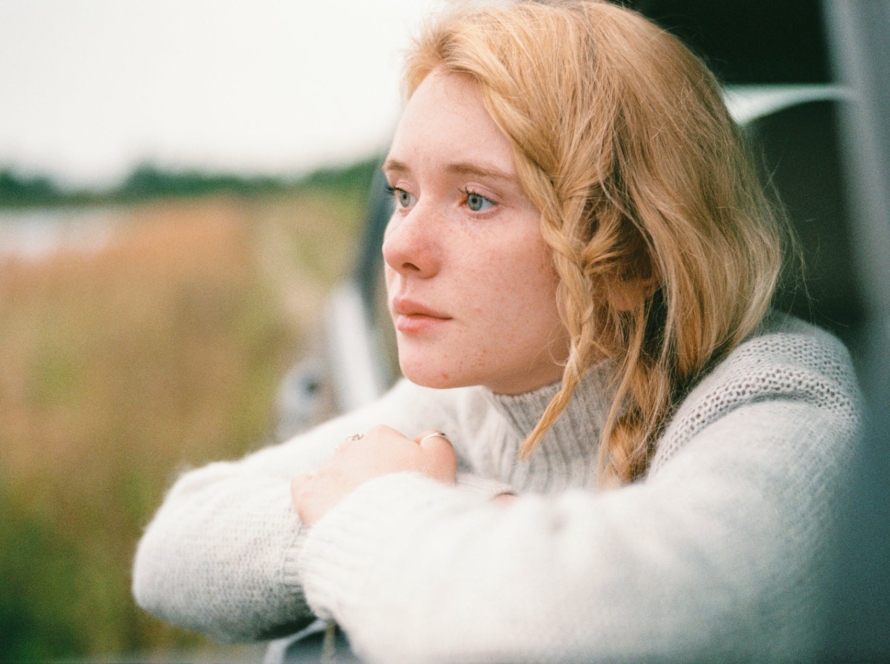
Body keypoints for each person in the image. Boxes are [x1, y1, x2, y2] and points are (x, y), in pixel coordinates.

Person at [132, 1, 862, 662]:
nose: (397, 246)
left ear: (634, 255)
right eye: (402, 193)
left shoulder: (781, 395)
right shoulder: (470, 404)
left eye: (475, 199)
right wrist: (441, 513)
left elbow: (649, 620)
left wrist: (388, 508)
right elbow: (174, 549)